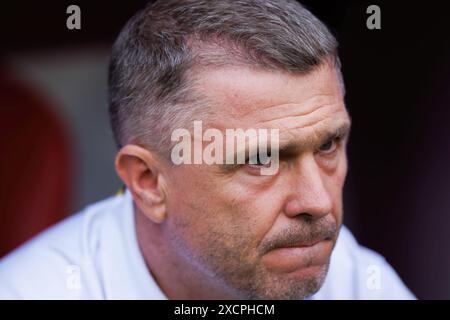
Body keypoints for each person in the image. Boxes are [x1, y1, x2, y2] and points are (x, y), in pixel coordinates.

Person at [0, 0, 414, 299]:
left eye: (327, 144)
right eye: (260, 159)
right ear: (148, 182)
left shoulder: (355, 279)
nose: (318, 202)